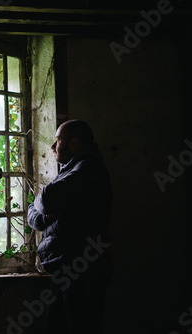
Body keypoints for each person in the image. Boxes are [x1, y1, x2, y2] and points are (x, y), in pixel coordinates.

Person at [28, 119, 113, 334]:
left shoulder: (88, 169)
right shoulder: (71, 169)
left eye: (58, 140)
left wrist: (44, 200)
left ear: (73, 143)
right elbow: (33, 214)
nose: (53, 146)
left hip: (82, 267)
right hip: (67, 268)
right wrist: (46, 216)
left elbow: (47, 199)